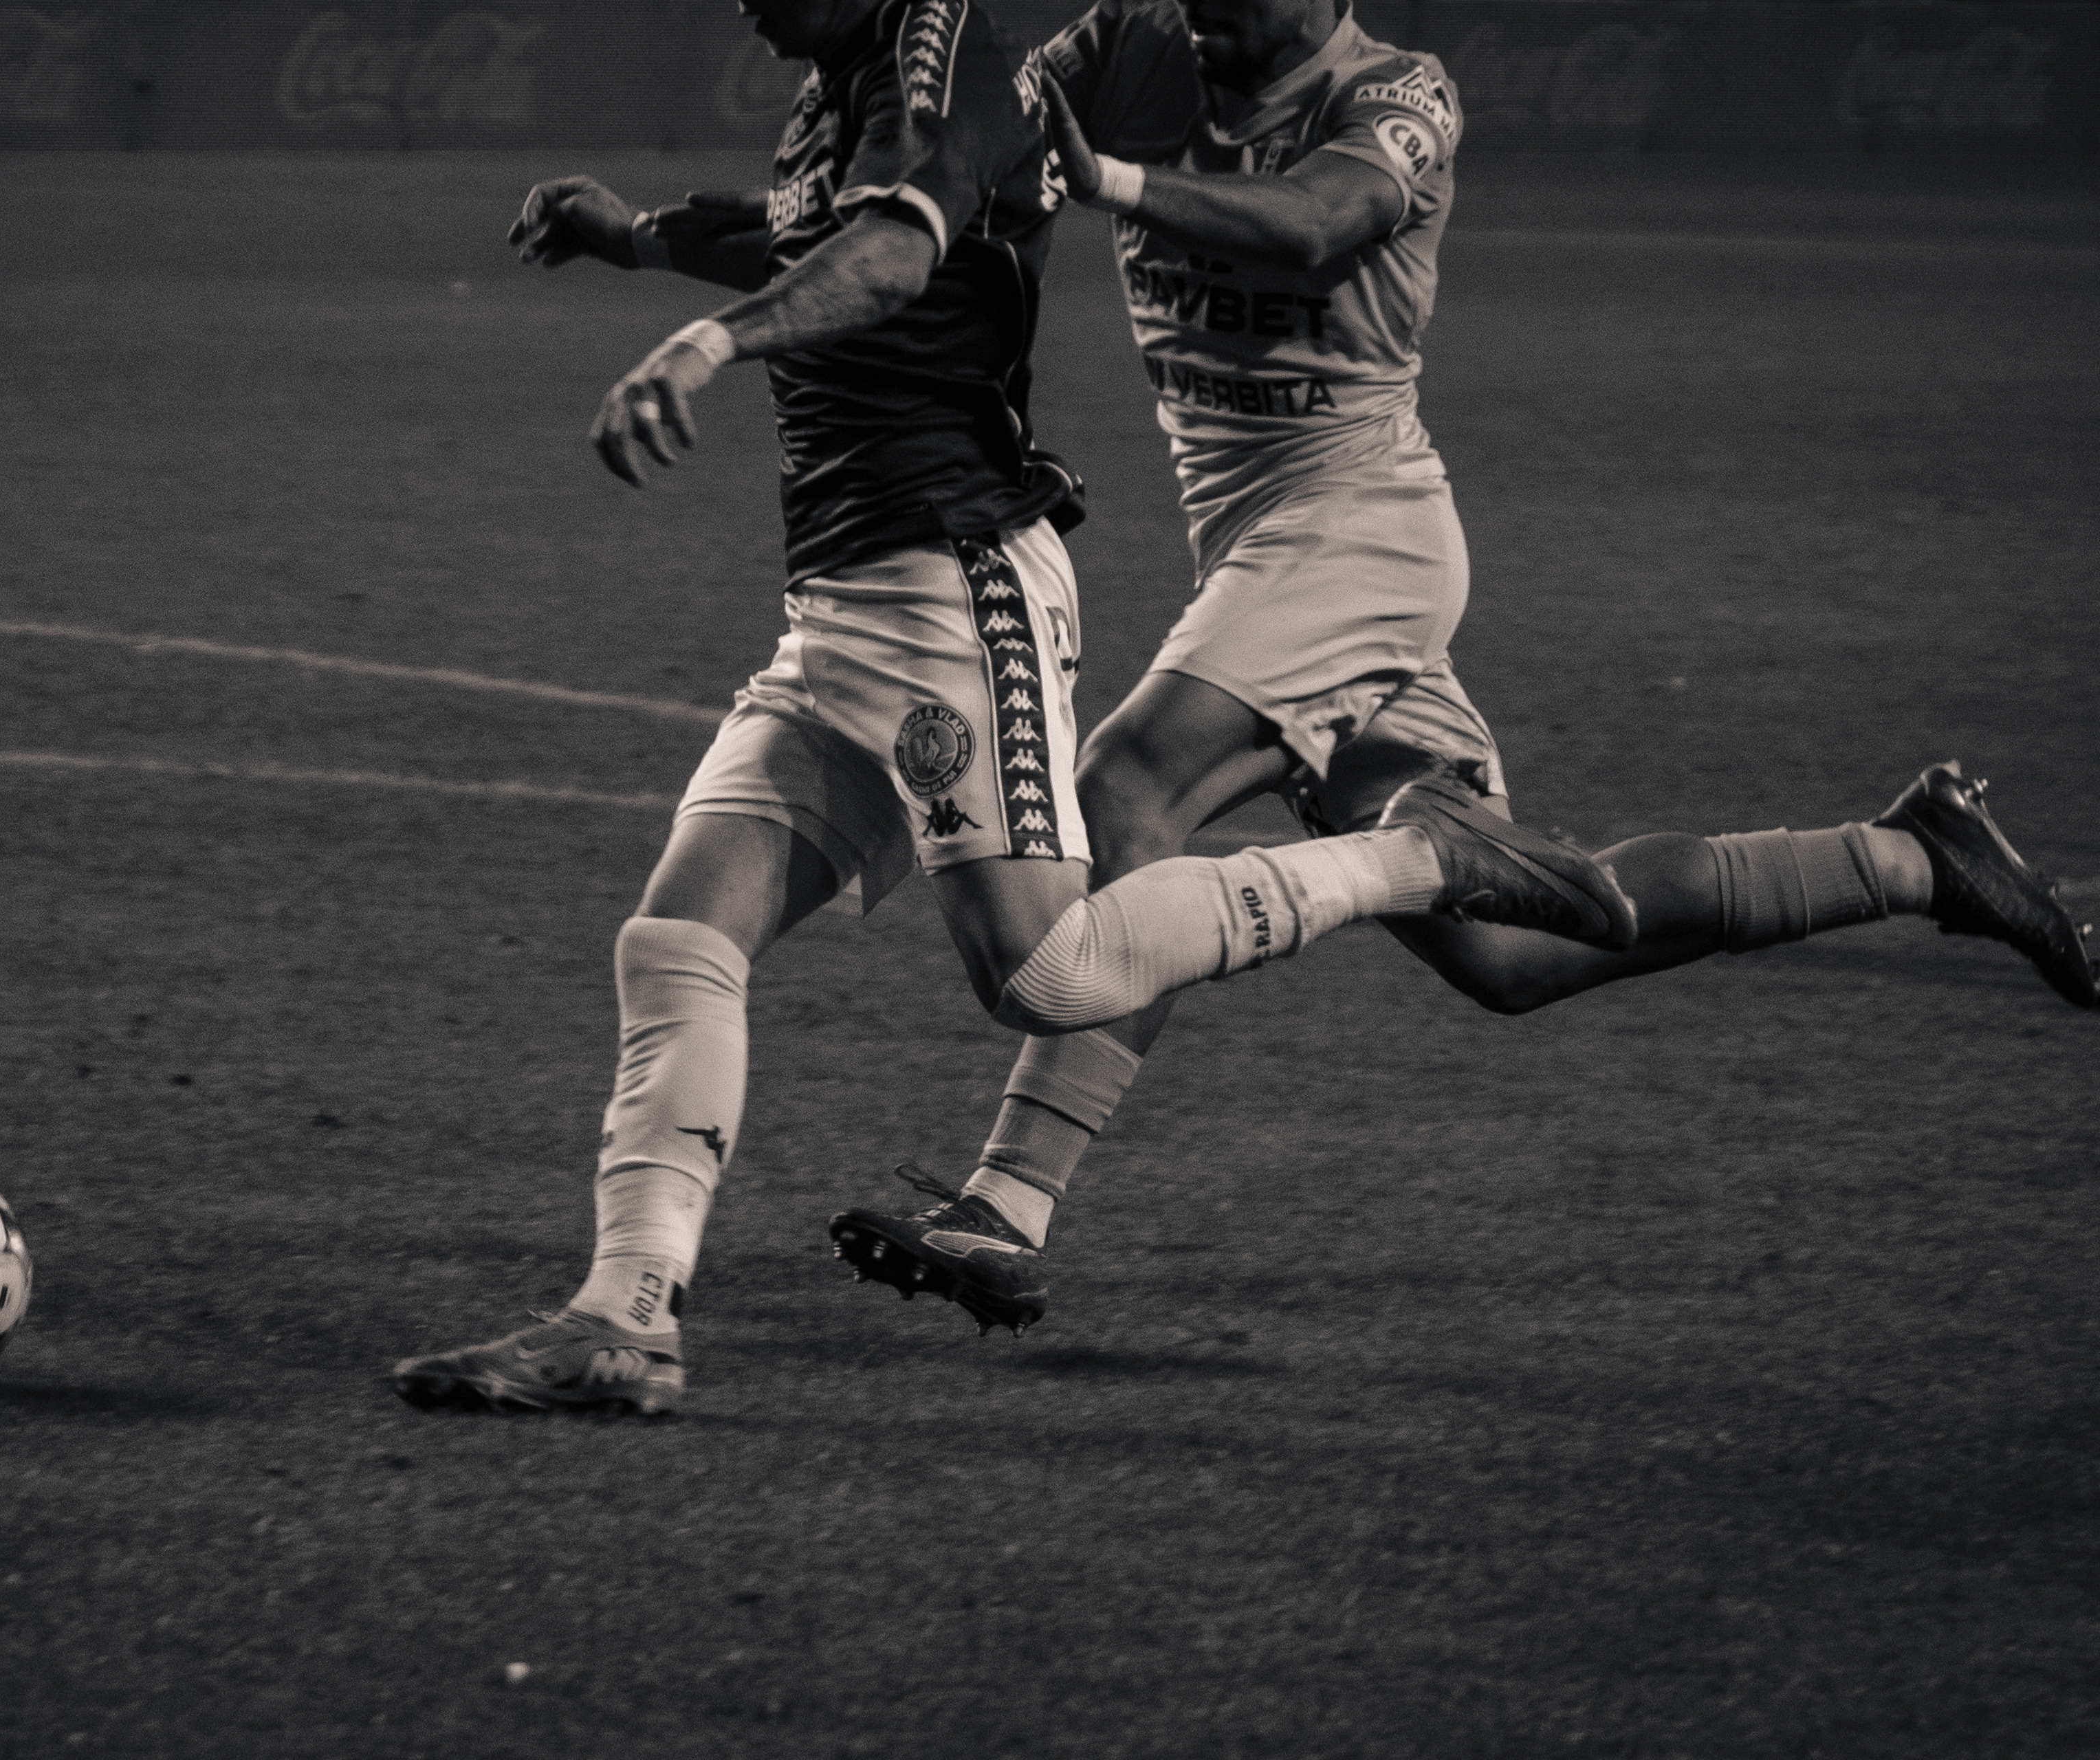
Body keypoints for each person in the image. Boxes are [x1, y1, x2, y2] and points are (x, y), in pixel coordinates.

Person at [392, 0, 1639, 1417]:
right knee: (678, 940)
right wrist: (636, 236)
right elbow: (819, 236)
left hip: (951, 583)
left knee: (1048, 976)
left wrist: (708, 344)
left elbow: (891, 253)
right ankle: (623, 1323)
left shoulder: (944, 53)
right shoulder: (849, 78)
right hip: (841, 604)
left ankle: (1420, 857)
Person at [827, 0, 2097, 1339]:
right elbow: (981, 147)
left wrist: (1116, 184)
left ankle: (1008, 1203)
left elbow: (1319, 219)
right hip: (1264, 552)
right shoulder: (1133, 41)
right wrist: (849, 203)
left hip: (1360, 530)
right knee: (1513, 953)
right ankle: (1913, 858)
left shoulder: (1398, 92)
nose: (1199, 10)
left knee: (1131, 785)